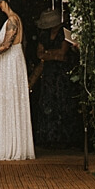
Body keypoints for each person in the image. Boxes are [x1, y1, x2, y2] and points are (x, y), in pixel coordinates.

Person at [0, 0, 35, 160]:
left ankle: (11, 147)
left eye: (0, 2)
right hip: (12, 60)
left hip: (11, 61)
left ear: (6, 2)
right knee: (11, 99)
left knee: (10, 98)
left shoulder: (13, 20)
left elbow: (6, 45)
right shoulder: (15, 18)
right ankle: (14, 142)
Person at [33, 8, 79, 149]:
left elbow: (62, 53)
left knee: (62, 102)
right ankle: (49, 137)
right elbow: (39, 53)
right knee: (48, 102)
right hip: (48, 72)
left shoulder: (64, 33)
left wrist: (49, 54)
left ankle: (63, 138)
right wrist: (52, 55)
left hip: (61, 73)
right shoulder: (44, 34)